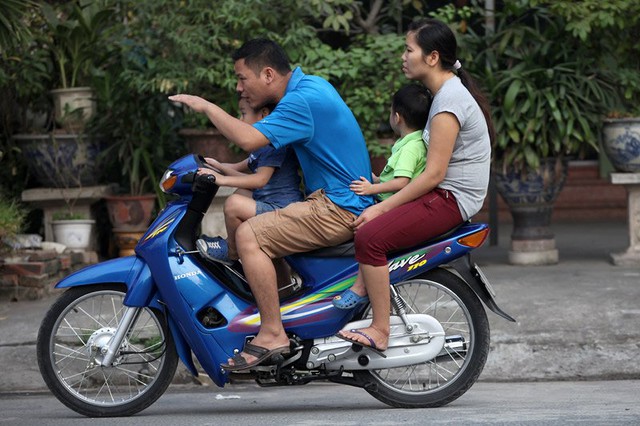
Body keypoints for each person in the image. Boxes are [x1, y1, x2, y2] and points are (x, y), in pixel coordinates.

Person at [169, 38, 374, 371]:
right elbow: (253, 157)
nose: (239, 88)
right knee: (252, 224)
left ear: (267, 74)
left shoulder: (300, 101)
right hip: (336, 201)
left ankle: (272, 332)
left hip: (337, 207)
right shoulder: (310, 88)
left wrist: (205, 106)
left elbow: (249, 140)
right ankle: (282, 311)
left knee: (249, 235)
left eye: (242, 78)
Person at [334, 18, 495, 352]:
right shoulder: (444, 95)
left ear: (432, 57)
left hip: (450, 198)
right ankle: (363, 287)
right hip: (444, 193)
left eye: (409, 50)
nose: (404, 57)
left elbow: (434, 175)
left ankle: (380, 328)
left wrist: (383, 205)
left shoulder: (448, 102)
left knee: (369, 236)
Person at [333, 83, 431, 309]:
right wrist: (377, 180)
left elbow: (402, 182)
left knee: (367, 233)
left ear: (397, 117)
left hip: (395, 206)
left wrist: (370, 189)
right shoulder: (411, 143)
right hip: (394, 201)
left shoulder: (410, 147)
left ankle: (360, 287)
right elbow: (396, 177)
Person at [196, 98, 303, 267]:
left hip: (282, 209)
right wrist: (216, 166)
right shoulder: (260, 146)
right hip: (269, 204)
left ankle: (230, 252)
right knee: (241, 192)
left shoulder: (273, 145)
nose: (239, 120)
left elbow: (260, 180)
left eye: (243, 114)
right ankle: (232, 244)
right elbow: (238, 170)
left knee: (234, 204)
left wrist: (222, 180)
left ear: (264, 114)